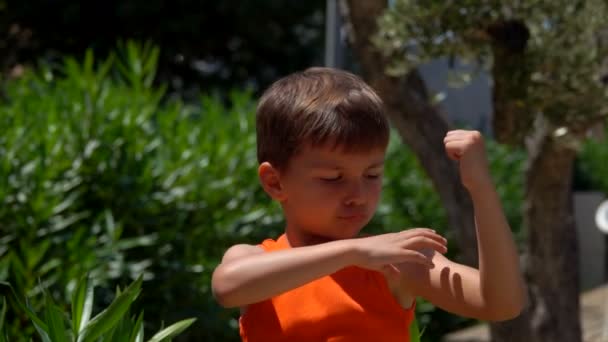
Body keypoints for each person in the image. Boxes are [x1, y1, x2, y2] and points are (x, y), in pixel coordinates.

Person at [211, 67, 526, 341]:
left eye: (372, 174)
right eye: (333, 178)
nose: (358, 194)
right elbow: (228, 287)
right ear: (275, 182)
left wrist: (481, 188)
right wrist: (353, 252)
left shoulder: (396, 262)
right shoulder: (255, 259)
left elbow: (500, 303)